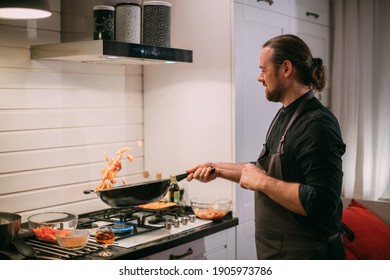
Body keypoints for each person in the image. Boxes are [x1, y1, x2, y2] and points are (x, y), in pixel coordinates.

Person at [186, 34, 346, 260]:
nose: (259, 77)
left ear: (286, 69)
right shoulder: (285, 114)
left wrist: (263, 182)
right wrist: (218, 168)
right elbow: (263, 170)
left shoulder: (318, 124)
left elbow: (322, 203)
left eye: (263, 69)